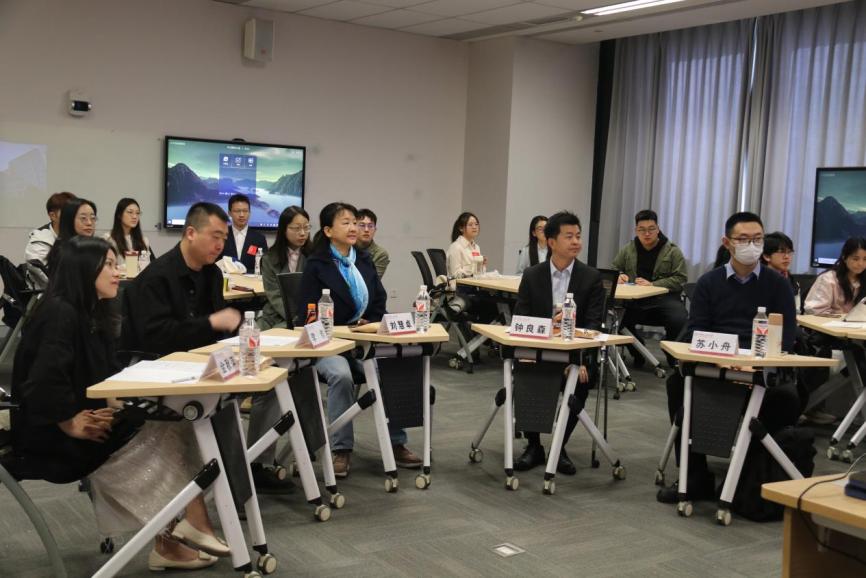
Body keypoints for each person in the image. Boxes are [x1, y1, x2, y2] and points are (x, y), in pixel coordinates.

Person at [12, 236, 225, 571]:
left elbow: (101, 377)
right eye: (109, 265)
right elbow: (42, 383)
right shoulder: (59, 313)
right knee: (164, 434)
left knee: (174, 424)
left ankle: (175, 535)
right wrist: (69, 421)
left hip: (83, 416)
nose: (118, 273)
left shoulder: (91, 311)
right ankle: (187, 526)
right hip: (50, 436)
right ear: (85, 270)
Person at [124, 203, 290, 492]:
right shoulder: (156, 278)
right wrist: (211, 323)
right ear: (190, 233)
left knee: (271, 383)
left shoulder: (212, 274)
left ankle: (250, 473)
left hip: (205, 367)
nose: (220, 244)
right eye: (215, 236)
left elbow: (219, 330)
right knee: (222, 406)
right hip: (165, 373)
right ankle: (236, 489)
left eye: (224, 237)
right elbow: (157, 337)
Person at [658, 212, 799, 504]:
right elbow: (696, 331)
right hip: (716, 363)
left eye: (757, 239)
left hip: (761, 368)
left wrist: (755, 362)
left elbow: (786, 337)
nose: (752, 245)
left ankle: (747, 478)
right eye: (743, 239)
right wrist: (719, 358)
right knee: (678, 385)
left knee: (786, 398)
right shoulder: (709, 283)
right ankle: (694, 476)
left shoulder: (778, 284)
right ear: (727, 243)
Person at [296, 202, 422, 477]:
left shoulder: (363, 260)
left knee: (391, 368)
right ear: (328, 231)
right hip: (327, 344)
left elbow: (379, 301)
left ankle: (396, 443)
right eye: (346, 223)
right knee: (341, 376)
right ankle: (341, 448)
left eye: (354, 222)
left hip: (362, 341)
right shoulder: (317, 264)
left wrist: (370, 322)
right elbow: (306, 312)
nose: (354, 227)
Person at [512, 211, 605, 475]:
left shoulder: (591, 277)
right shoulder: (532, 275)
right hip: (538, 351)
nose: (576, 242)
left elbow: (593, 325)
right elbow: (521, 318)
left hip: (575, 354)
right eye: (569, 236)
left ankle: (559, 446)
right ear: (551, 241)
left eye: (578, 236)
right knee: (526, 370)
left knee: (581, 380)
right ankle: (533, 446)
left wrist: (577, 358)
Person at [611, 209, 688, 366]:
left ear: (658, 229)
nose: (647, 234)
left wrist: (653, 284)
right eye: (642, 230)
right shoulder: (628, 249)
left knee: (679, 319)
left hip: (664, 299)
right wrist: (619, 276)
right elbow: (614, 269)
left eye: (651, 229)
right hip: (635, 300)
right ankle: (638, 351)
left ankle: (672, 355)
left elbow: (681, 279)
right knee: (614, 319)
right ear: (636, 230)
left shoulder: (672, 251)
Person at [258, 205, 311, 330]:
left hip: (304, 316)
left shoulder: (314, 256)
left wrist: (300, 318)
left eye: (306, 227)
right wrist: (293, 318)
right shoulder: (269, 258)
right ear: (284, 230)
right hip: (274, 315)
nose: (302, 233)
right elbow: (274, 295)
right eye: (296, 228)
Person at [804, 237, 866, 315]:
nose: (861, 264)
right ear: (844, 257)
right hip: (829, 322)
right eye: (855, 259)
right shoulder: (828, 279)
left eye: (865, 259)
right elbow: (815, 310)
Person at [46, 198, 98, 276]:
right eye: (83, 218)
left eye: (93, 218)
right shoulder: (64, 252)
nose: (89, 223)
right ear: (69, 220)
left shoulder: (92, 247)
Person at [24, 191, 76, 266]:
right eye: (68, 212)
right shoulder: (39, 242)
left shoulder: (80, 236)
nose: (73, 216)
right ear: (53, 216)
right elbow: (39, 272)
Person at [219, 193, 268, 273]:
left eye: (245, 211)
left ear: (249, 213)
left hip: (251, 280)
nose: (241, 215)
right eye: (237, 211)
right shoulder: (221, 236)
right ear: (229, 213)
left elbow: (264, 267)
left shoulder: (259, 239)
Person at [446, 212, 485, 281]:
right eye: (470, 225)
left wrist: (481, 265)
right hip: (459, 286)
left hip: (474, 283)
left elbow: (478, 274)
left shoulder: (476, 247)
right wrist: (473, 267)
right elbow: (455, 274)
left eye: (476, 224)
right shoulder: (456, 247)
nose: (474, 227)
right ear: (461, 228)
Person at [761, 232, 799, 298]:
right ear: (767, 256)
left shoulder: (792, 281)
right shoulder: (757, 280)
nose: (787, 256)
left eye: (789, 252)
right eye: (782, 252)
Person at [356, 208, 390, 278]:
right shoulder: (346, 248)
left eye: (370, 226)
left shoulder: (380, 254)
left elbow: (371, 280)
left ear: (375, 230)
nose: (366, 230)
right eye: (362, 225)